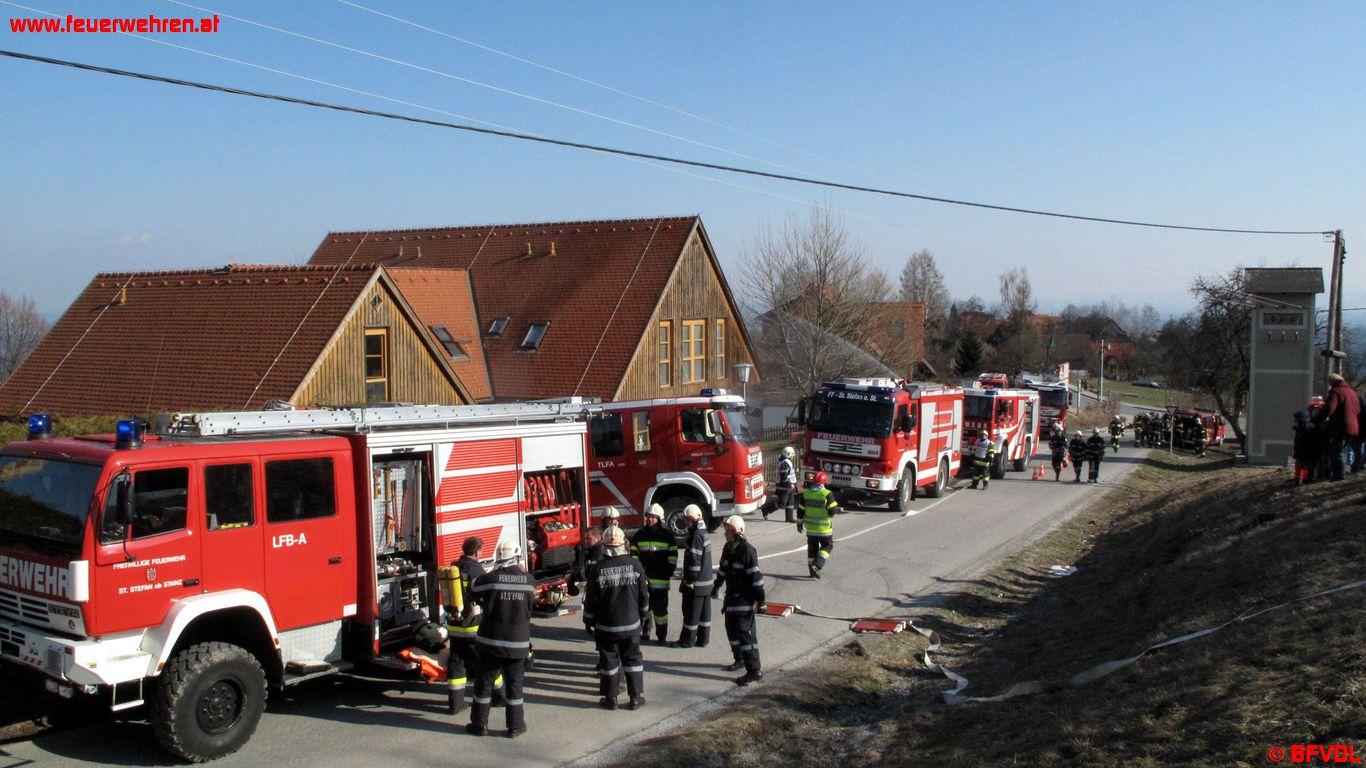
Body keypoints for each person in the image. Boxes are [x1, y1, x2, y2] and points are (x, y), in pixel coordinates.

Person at [468, 540, 533, 739]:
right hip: (517, 643)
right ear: (517, 557)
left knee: (484, 685)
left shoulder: (490, 579)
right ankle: (515, 726)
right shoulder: (530, 581)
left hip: (490, 643)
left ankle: (479, 725)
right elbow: (529, 610)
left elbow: (472, 588)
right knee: (515, 686)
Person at [584, 526, 649, 711]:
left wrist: (588, 621)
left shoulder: (597, 569)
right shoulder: (635, 565)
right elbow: (643, 597)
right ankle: (635, 698)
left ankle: (611, 698)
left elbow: (591, 601)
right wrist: (643, 616)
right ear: (623, 545)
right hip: (631, 624)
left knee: (609, 663)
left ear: (604, 545)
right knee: (632, 660)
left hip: (606, 627)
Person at [715, 515, 765, 686]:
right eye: (725, 531)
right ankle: (740, 659)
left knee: (745, 636)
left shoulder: (747, 551)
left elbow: (756, 580)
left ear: (737, 532)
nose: (725, 534)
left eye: (728, 531)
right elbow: (722, 570)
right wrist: (716, 586)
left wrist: (762, 602)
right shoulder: (728, 548)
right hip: (731, 600)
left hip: (744, 601)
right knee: (731, 630)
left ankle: (754, 671)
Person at [445, 537, 488, 715]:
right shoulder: (477, 570)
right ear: (477, 552)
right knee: (485, 662)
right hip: (473, 625)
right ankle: (497, 696)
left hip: (454, 625)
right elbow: (485, 595)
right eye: (482, 550)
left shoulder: (454, 567)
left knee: (456, 663)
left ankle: (456, 704)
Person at [630, 503, 677, 644]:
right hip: (644, 579)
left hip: (661, 579)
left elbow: (673, 555)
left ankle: (662, 636)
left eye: (653, 517)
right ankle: (645, 632)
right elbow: (634, 554)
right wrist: (638, 574)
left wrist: (668, 571)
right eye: (648, 516)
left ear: (659, 518)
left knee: (661, 611)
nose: (650, 519)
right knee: (645, 607)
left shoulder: (667, 535)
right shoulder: (640, 534)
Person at [674, 505, 713, 648]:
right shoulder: (704, 531)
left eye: (688, 520)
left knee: (690, 612)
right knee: (704, 614)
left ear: (694, 519)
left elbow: (695, 560)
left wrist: (690, 580)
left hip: (696, 583)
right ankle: (703, 639)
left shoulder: (696, 535)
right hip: (706, 583)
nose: (686, 523)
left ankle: (687, 640)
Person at [1313, 373, 1360, 481]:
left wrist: (1316, 420)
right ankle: (1341, 474)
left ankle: (1339, 476)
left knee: (1337, 451)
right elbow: (1358, 410)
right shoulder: (1352, 392)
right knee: (1343, 450)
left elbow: (1329, 408)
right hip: (1353, 426)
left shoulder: (1336, 392)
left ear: (1332, 382)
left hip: (1341, 427)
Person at [798, 471, 839, 578]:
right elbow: (833, 509)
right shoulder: (826, 494)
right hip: (824, 529)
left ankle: (811, 571)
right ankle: (816, 566)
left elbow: (800, 510)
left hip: (811, 529)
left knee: (812, 549)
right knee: (827, 546)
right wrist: (830, 515)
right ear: (824, 482)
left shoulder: (806, 494)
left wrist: (799, 523)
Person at [771, 446, 799, 522]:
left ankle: (789, 518)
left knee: (791, 502)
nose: (793, 457)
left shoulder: (785, 462)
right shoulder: (785, 464)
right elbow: (784, 477)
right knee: (782, 503)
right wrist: (790, 485)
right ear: (788, 454)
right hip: (784, 487)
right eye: (792, 455)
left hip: (789, 487)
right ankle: (766, 510)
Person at [1292, 410, 1316, 485]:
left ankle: (1301, 478)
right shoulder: (1302, 429)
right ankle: (1300, 477)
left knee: (1302, 466)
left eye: (1295, 420)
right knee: (1300, 466)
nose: (1294, 422)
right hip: (1302, 452)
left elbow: (1303, 443)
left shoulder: (1305, 430)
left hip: (1303, 452)